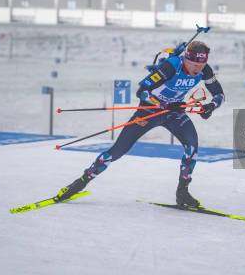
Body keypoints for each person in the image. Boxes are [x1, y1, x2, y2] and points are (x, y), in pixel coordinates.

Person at [54, 40, 225, 207]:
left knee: (192, 147)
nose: (197, 69)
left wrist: (210, 107)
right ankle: (80, 182)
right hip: (149, 111)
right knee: (117, 152)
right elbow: (142, 91)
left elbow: (220, 95)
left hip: (174, 113)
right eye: (194, 64)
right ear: (186, 59)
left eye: (201, 65)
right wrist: (164, 104)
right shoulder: (172, 66)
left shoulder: (205, 70)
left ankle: (182, 193)